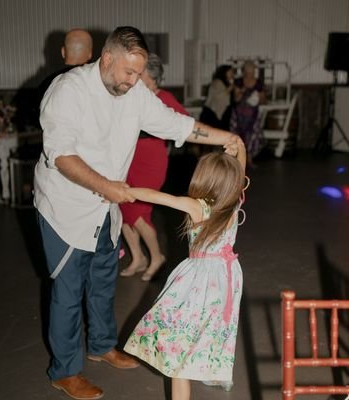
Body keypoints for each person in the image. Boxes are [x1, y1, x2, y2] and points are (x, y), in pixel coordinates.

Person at [34, 26, 243, 400]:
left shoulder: (134, 94)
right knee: (68, 290)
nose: (135, 81)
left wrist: (223, 137)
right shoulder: (68, 91)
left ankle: (101, 345)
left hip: (107, 207)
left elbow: (178, 124)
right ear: (108, 58)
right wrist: (107, 186)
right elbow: (61, 154)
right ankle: (65, 371)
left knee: (103, 280)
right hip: (66, 209)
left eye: (139, 73)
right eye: (129, 72)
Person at [124, 142, 248, 400]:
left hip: (198, 281)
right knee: (212, 327)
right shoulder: (233, 200)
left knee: (178, 354)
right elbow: (241, 170)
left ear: (202, 179)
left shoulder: (198, 206)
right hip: (226, 279)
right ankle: (210, 366)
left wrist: (123, 191)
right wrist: (240, 149)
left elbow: (159, 197)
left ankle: (189, 368)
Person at [119, 53, 189, 281]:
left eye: (140, 72)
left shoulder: (164, 97)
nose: (136, 75)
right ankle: (138, 257)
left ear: (150, 74)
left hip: (151, 160)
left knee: (137, 211)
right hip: (130, 158)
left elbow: (185, 121)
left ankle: (157, 256)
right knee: (122, 208)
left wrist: (161, 132)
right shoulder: (135, 97)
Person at [230, 60, 266, 167]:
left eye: (252, 72)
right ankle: (237, 161)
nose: (250, 74)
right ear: (244, 71)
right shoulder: (239, 82)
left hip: (252, 115)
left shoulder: (258, 83)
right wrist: (242, 91)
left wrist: (258, 98)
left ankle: (249, 159)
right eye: (248, 72)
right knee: (237, 135)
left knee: (252, 136)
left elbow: (264, 100)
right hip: (238, 114)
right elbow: (236, 99)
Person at [200, 64, 235, 131]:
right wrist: (229, 89)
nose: (232, 74)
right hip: (212, 115)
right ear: (224, 73)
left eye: (232, 72)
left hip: (223, 116)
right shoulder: (217, 82)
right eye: (230, 72)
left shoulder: (228, 83)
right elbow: (218, 97)